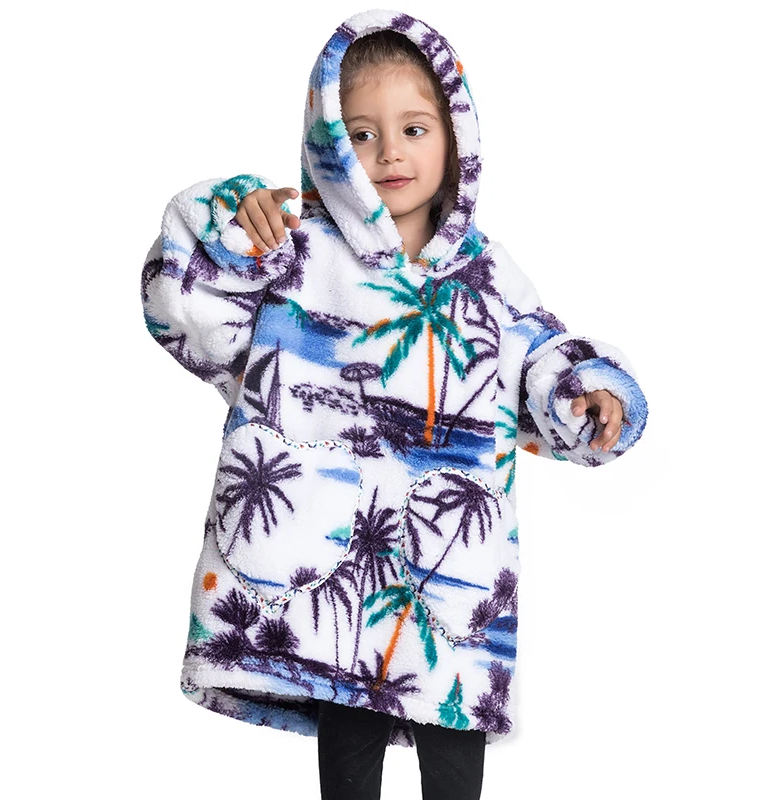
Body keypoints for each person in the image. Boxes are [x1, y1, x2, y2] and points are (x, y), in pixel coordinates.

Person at [140, 9, 648, 800]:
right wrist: (230, 227)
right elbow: (187, 315)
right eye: (361, 134)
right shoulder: (295, 252)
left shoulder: (488, 275)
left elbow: (543, 356)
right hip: (329, 565)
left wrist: (591, 391)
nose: (389, 153)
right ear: (328, 144)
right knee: (349, 730)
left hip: (451, 567)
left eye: (414, 128)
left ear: (456, 137)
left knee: (455, 742)